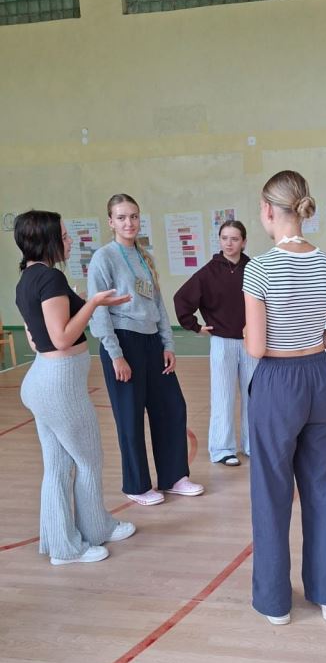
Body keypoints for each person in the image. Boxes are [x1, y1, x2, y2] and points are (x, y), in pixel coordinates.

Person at [243, 170, 326, 625]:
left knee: (271, 493)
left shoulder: (259, 268)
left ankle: (275, 604)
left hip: (276, 383)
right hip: (321, 379)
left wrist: (262, 335)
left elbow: (255, 347)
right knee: (324, 487)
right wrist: (308, 339)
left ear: (268, 210)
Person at [14, 209, 136, 566]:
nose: (69, 241)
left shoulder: (28, 279)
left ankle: (64, 544)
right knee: (88, 460)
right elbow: (62, 338)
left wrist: (85, 301)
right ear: (47, 239)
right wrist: (94, 302)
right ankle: (91, 533)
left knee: (58, 466)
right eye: (64, 235)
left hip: (43, 380)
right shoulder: (50, 279)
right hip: (59, 385)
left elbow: (35, 338)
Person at [87, 193, 204, 505]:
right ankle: (136, 485)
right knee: (130, 416)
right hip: (123, 342)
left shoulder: (144, 256)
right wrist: (116, 354)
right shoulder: (103, 258)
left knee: (172, 407)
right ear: (111, 222)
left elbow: (158, 305)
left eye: (134, 216)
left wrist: (167, 343)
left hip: (152, 342)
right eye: (122, 217)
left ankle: (174, 477)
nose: (129, 222)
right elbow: (99, 311)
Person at [173, 220, 258, 466]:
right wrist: (195, 326)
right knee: (223, 396)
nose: (229, 243)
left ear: (244, 242)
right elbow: (181, 299)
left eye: (234, 239)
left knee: (254, 396)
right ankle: (222, 449)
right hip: (222, 342)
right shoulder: (208, 273)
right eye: (224, 238)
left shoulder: (254, 269)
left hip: (251, 342)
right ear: (219, 240)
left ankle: (253, 445)